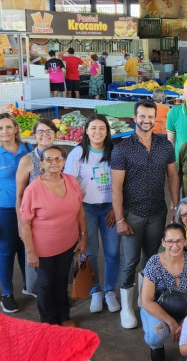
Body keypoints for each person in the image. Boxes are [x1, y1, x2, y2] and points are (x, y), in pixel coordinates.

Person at [111, 100, 180, 329]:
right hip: (133, 214)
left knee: (151, 259)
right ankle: (127, 308)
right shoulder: (122, 148)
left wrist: (175, 206)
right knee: (129, 261)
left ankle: (145, 302)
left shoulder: (164, 146)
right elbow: (116, 187)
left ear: (156, 119)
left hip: (158, 212)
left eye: (151, 116)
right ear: (134, 117)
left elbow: (172, 177)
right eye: (142, 116)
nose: (146, 120)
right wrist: (120, 219)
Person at [19, 146, 86, 326]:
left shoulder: (71, 181)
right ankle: (48, 322)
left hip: (68, 243)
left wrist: (83, 236)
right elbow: (24, 223)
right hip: (43, 249)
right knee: (46, 284)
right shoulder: (33, 189)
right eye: (49, 159)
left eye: (58, 159)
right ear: (41, 164)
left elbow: (79, 211)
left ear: (64, 162)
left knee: (62, 279)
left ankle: (64, 315)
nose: (54, 163)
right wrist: (30, 252)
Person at [64, 114, 120, 314]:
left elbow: (121, 183)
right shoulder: (77, 153)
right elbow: (70, 186)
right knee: (91, 252)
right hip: (86, 208)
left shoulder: (115, 151)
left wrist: (115, 207)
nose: (97, 132)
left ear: (107, 132)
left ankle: (110, 291)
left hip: (109, 208)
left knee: (113, 252)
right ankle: (95, 291)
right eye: (93, 128)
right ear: (86, 131)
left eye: (102, 128)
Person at [0, 113, 32, 313]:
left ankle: (30, 285)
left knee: (25, 247)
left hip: (27, 208)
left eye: (8, 127)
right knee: (7, 250)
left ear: (16, 128)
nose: (5, 132)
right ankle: (7, 294)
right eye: (0, 128)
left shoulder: (28, 150)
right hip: (3, 209)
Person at [140, 223, 187, 361]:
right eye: (170, 241)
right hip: (159, 309)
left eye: (179, 240)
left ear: (185, 241)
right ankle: (156, 347)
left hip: (186, 309)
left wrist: (186, 321)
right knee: (156, 334)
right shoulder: (154, 263)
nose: (174, 245)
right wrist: (171, 322)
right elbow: (146, 300)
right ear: (163, 242)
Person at [15, 118, 59, 299]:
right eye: (40, 132)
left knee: (57, 257)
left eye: (49, 131)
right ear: (34, 136)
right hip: (35, 220)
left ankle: (54, 291)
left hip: (57, 219)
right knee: (36, 258)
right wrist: (20, 222)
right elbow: (19, 195)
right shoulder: (27, 160)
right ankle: (38, 294)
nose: (45, 135)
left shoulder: (59, 156)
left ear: (55, 135)